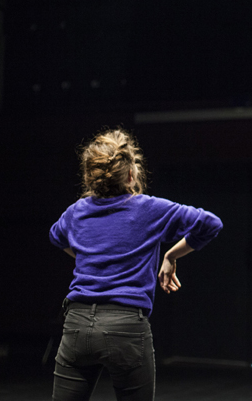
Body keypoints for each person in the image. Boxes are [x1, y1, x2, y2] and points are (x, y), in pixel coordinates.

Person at [49, 128, 223, 401]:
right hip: (125, 327)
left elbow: (56, 236)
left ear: (89, 177)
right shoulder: (149, 208)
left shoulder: (76, 212)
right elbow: (210, 224)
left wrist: (88, 256)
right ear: (131, 174)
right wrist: (171, 256)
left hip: (77, 325)